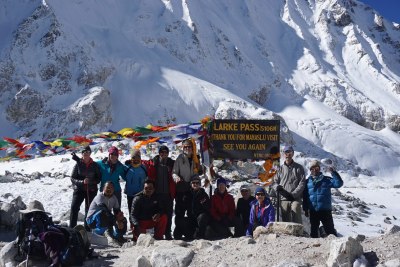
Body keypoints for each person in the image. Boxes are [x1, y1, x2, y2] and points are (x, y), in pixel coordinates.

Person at [303, 160, 343, 238]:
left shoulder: (326, 180)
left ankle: (335, 247)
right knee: (314, 232)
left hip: (325, 210)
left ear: (319, 169)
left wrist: (333, 173)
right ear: (310, 170)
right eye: (312, 168)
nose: (315, 170)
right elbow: (305, 196)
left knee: (330, 232)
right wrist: (305, 208)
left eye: (317, 168)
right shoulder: (307, 182)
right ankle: (315, 249)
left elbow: (339, 183)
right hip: (313, 210)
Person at [146, 145, 175, 240]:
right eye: (162, 152)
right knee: (157, 213)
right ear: (159, 153)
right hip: (157, 194)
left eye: (166, 152)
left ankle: (168, 233)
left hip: (168, 193)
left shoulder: (171, 163)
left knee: (169, 214)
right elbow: (146, 164)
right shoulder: (155, 162)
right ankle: (158, 233)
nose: (164, 154)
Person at [69, 146, 101, 230]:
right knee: (74, 208)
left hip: (91, 190)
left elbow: (98, 178)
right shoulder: (78, 164)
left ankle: (87, 229)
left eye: (87, 152)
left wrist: (90, 181)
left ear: (90, 153)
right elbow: (72, 178)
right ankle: (72, 228)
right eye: (84, 152)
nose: (85, 154)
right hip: (79, 189)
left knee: (89, 209)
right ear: (82, 154)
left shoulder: (95, 165)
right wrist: (82, 182)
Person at [86, 181, 127, 246]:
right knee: (103, 213)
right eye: (107, 187)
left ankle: (117, 236)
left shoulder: (114, 198)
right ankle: (98, 233)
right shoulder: (99, 197)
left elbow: (117, 211)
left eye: (111, 188)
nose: (109, 189)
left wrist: (120, 219)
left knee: (122, 219)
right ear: (103, 188)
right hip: (92, 221)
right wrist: (116, 221)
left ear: (113, 190)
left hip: (106, 217)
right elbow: (104, 209)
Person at [273, 145, 306, 223]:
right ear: (284, 154)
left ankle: (298, 231)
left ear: (293, 154)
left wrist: (293, 195)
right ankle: (288, 233)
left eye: (290, 152)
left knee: (296, 207)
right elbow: (274, 181)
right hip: (283, 198)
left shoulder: (299, 168)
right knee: (286, 219)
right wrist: (277, 187)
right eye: (286, 152)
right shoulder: (279, 169)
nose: (288, 154)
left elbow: (302, 183)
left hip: (295, 198)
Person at [172, 138, 202, 223]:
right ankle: (177, 233)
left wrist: (197, 180)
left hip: (192, 188)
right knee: (180, 212)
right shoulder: (180, 158)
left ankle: (190, 232)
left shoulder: (196, 159)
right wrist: (176, 178)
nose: (187, 148)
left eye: (189, 147)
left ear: (192, 148)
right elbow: (174, 172)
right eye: (185, 147)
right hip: (181, 188)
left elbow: (198, 172)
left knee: (191, 211)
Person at [174, 175, 210, 240]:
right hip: (191, 218)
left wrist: (203, 204)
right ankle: (188, 234)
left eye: (197, 183)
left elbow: (208, 208)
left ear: (200, 184)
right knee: (180, 220)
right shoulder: (187, 194)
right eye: (193, 183)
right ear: (191, 184)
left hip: (200, 219)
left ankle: (201, 235)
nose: (195, 184)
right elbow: (182, 207)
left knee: (203, 217)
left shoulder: (203, 194)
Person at [123, 148, 148, 225]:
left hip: (140, 194)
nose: (136, 159)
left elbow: (147, 178)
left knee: (140, 211)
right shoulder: (127, 167)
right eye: (134, 157)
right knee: (131, 211)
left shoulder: (143, 168)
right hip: (130, 194)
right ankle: (132, 226)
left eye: (137, 157)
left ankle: (139, 227)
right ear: (131, 158)